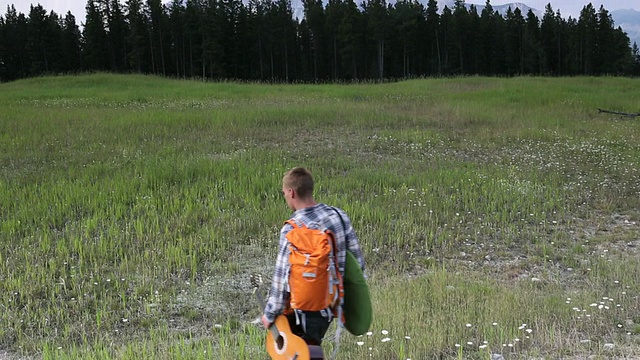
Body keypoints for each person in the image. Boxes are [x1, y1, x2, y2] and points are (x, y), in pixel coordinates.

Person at [261, 166, 365, 346]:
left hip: (302, 312)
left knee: (300, 354)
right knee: (313, 349)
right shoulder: (338, 217)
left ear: (291, 192)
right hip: (329, 308)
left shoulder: (292, 229)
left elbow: (281, 280)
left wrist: (269, 314)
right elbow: (357, 264)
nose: (285, 197)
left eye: (284, 193)